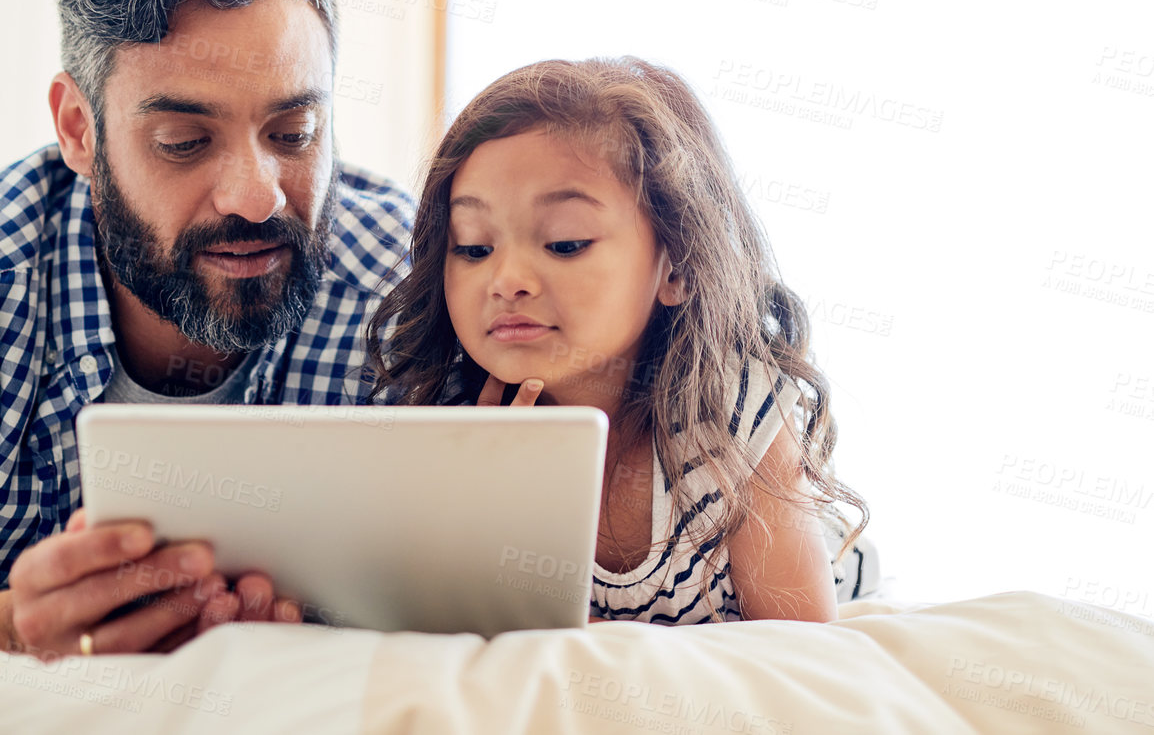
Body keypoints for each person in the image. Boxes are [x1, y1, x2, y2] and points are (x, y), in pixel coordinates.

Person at [0, 0, 413, 657]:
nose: (257, 200)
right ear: (79, 130)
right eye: (185, 143)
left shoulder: (418, 289)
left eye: (294, 132)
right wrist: (11, 629)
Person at [367, 56, 871, 624]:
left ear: (676, 267)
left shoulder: (734, 420)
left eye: (564, 243)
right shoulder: (455, 420)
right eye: (475, 247)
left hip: (827, 555)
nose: (506, 281)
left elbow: (798, 646)